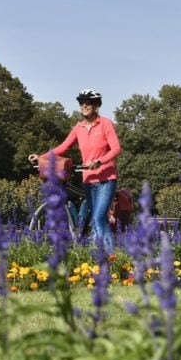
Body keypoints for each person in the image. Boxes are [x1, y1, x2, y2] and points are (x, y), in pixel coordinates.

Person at [28, 89, 121, 253]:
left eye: (88, 103)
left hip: (106, 179)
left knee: (99, 217)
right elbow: (63, 147)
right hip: (88, 180)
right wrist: (41, 156)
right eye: (81, 103)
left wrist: (100, 161)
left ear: (96, 105)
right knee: (98, 219)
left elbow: (116, 149)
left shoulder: (105, 124)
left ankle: (105, 256)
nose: (84, 106)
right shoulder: (79, 128)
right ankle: (106, 254)